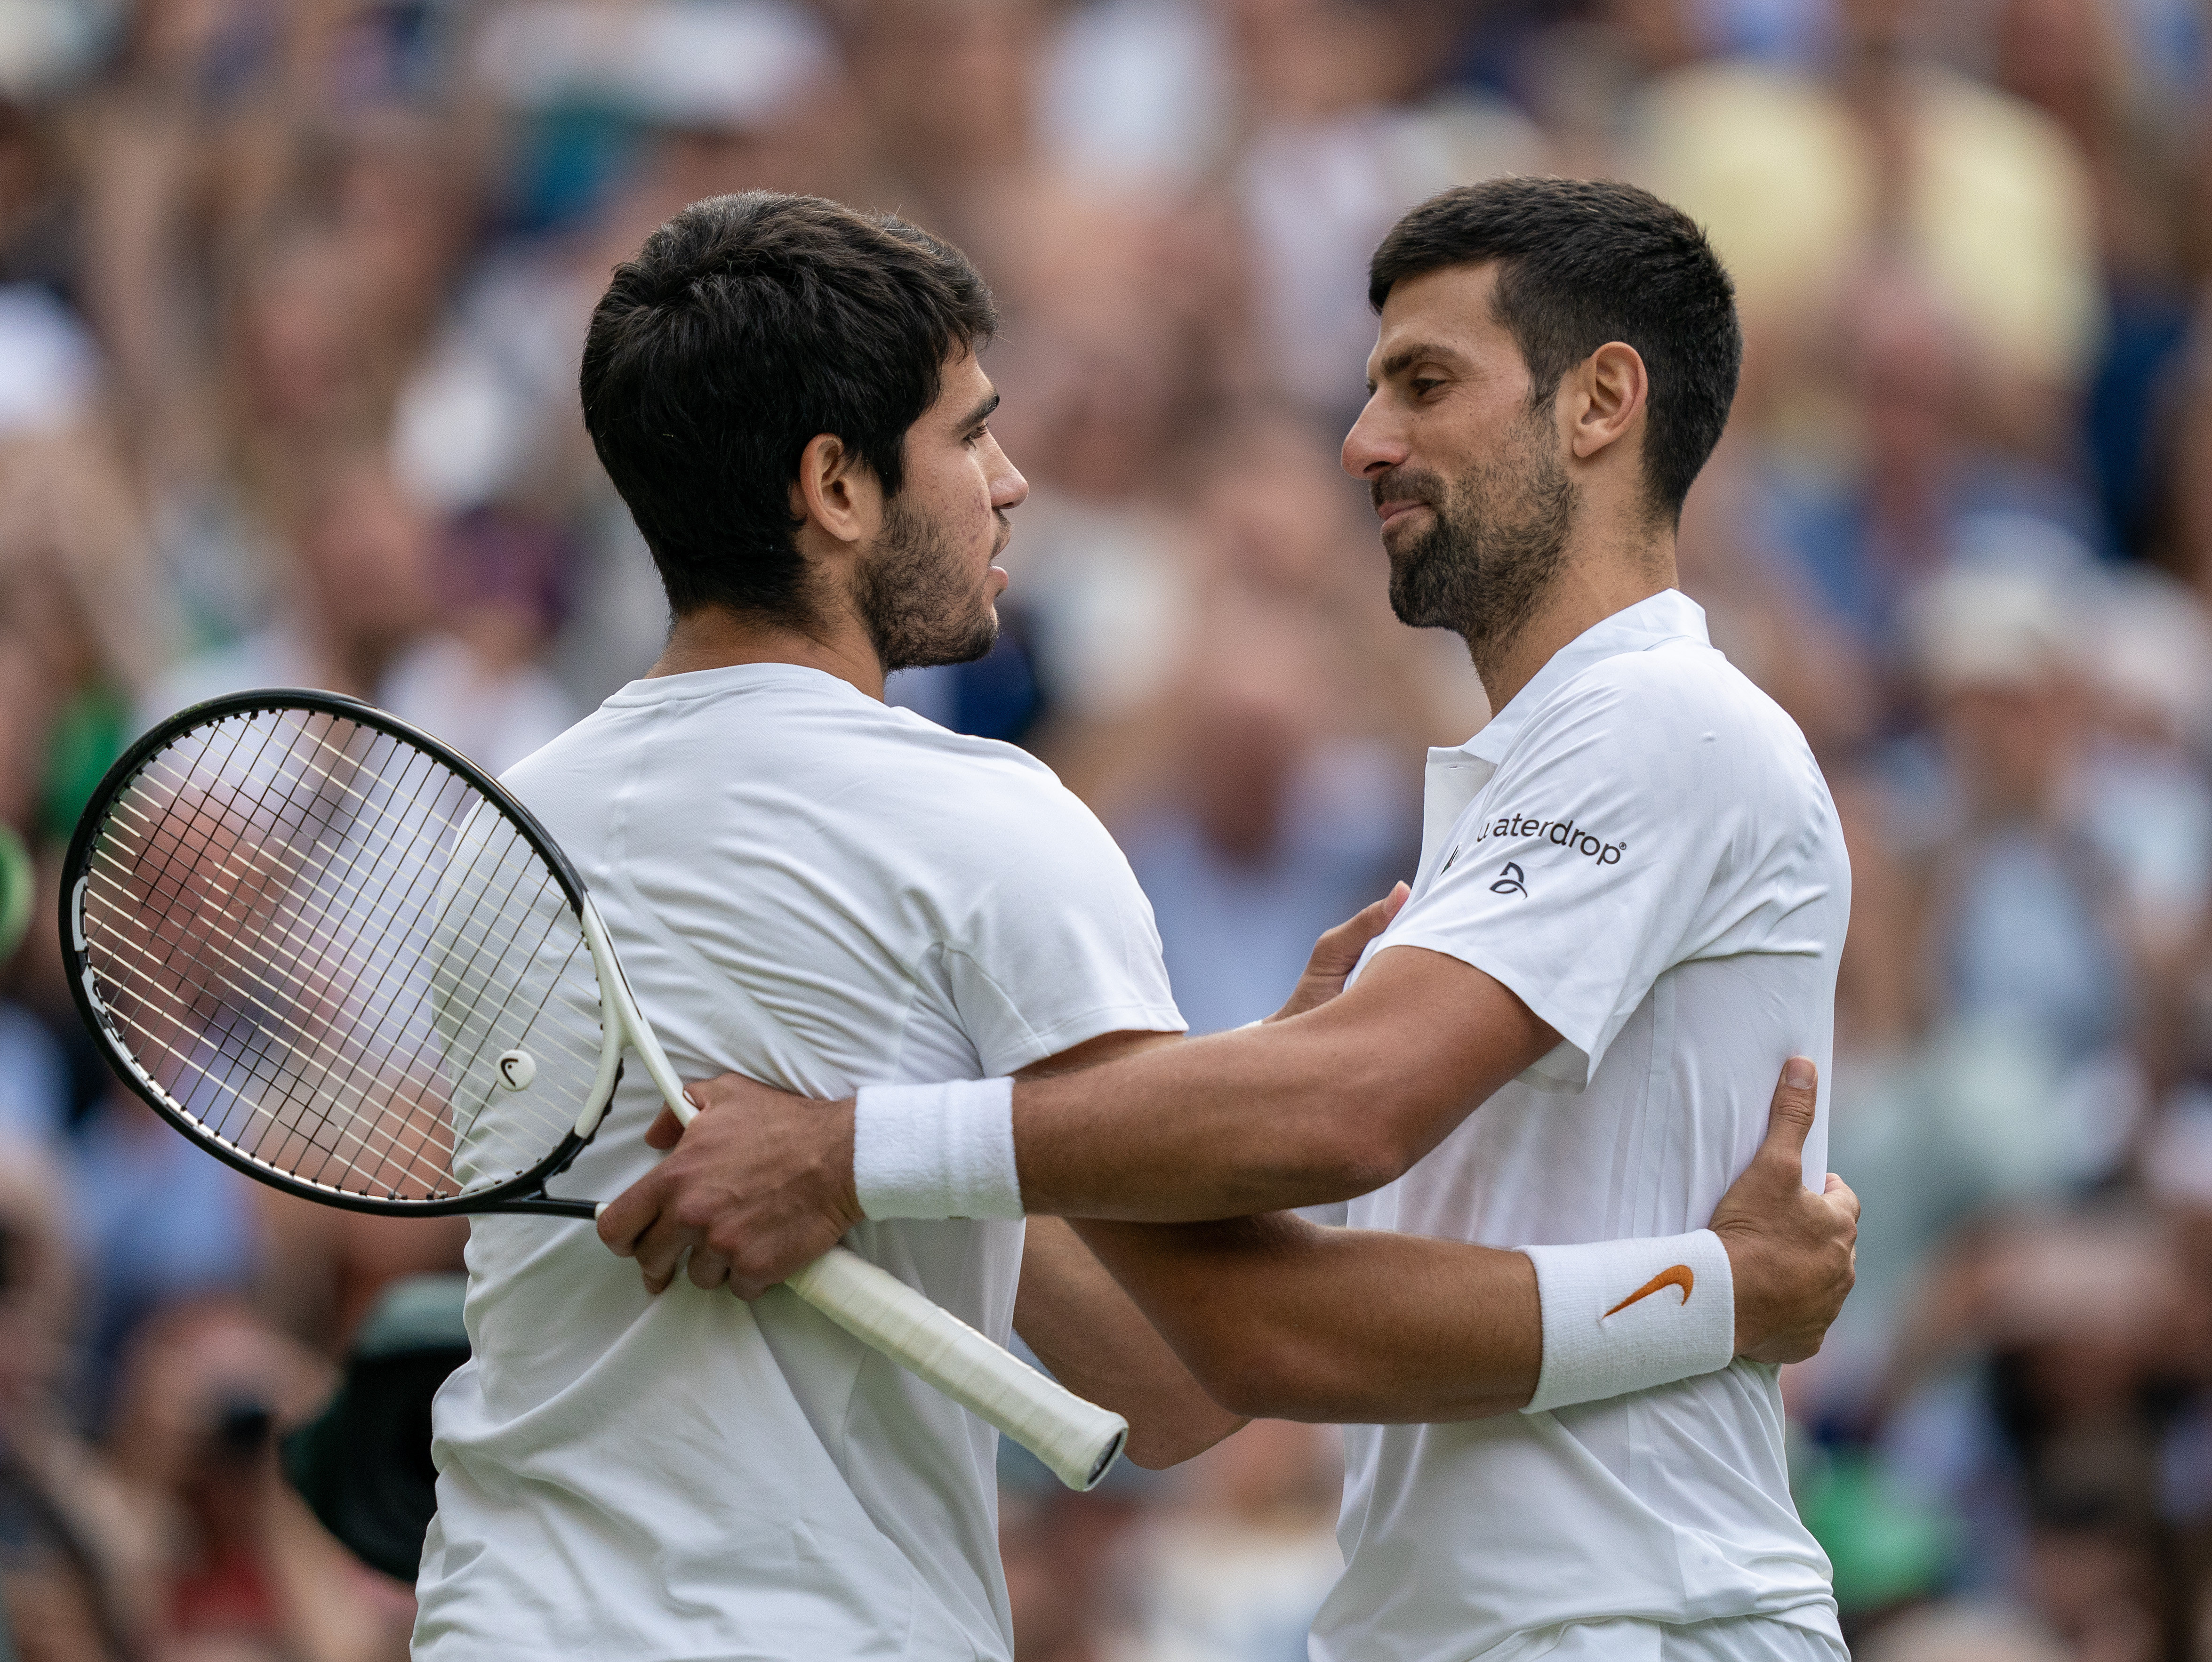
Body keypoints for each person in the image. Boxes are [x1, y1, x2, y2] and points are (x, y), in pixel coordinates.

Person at [424, 189, 1854, 1661]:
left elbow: (1233, 1295)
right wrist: (1712, 1297)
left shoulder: (496, 833)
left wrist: (850, 1152)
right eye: (970, 433)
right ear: (840, 490)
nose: (1360, 442)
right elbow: (1216, 1347)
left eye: (1421, 384)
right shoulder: (994, 826)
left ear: (1605, 401)